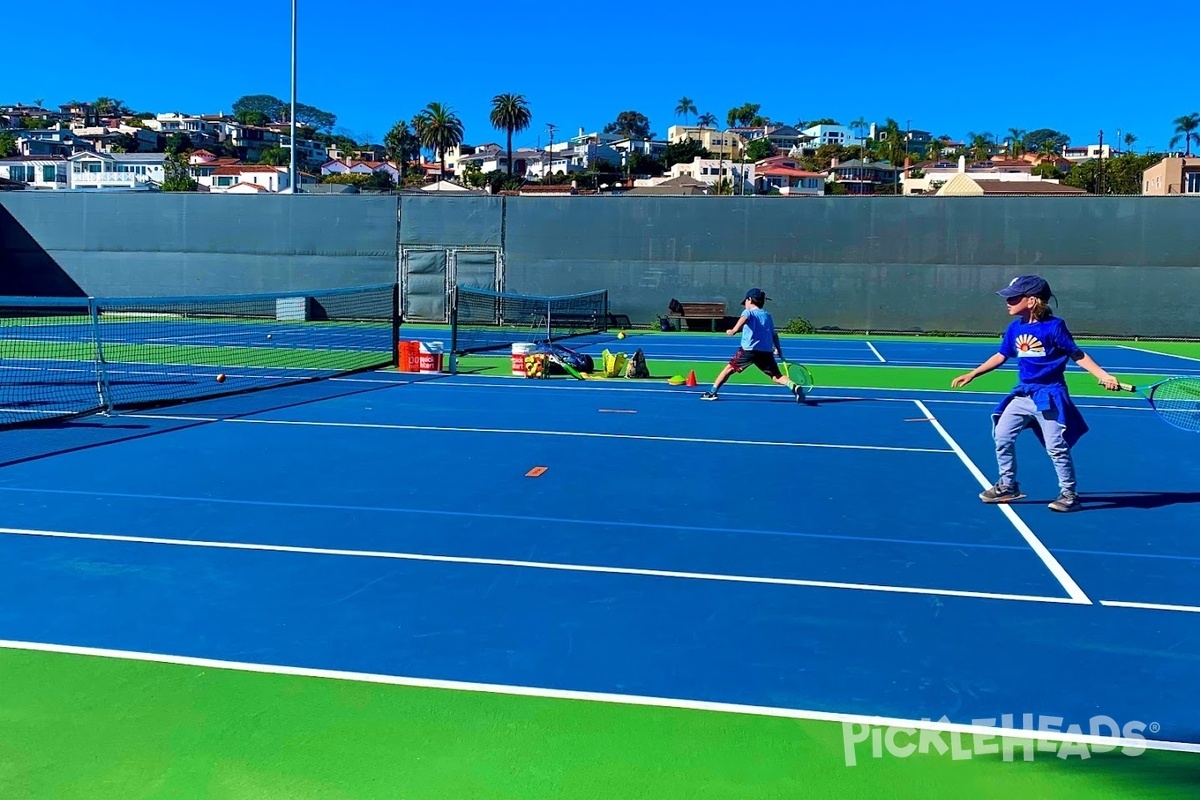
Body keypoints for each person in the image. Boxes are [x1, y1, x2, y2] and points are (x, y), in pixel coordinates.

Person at [951, 275, 1121, 512]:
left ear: (1031, 301)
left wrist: (1103, 375)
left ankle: (1069, 494)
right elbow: (1001, 355)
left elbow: (1077, 355)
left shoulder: (1054, 327)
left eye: (1013, 297)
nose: (1007, 301)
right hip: (1022, 396)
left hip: (1049, 396)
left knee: (1056, 446)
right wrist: (973, 373)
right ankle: (1008, 486)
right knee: (1001, 436)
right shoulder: (1014, 328)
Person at [701, 288, 805, 402]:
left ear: (750, 299)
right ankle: (794, 386)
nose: (745, 304)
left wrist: (733, 330)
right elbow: (774, 335)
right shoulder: (767, 315)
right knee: (776, 376)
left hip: (748, 351)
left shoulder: (748, 312)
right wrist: (778, 349)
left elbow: (745, 318)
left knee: (729, 369)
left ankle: (712, 392)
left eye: (745, 301)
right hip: (766, 352)